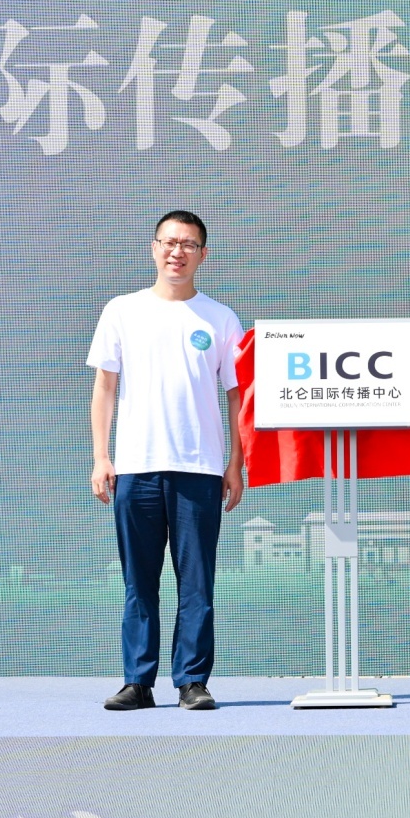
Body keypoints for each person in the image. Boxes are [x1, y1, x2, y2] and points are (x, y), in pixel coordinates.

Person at [87, 211, 245, 711]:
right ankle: (138, 681)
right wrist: (101, 456)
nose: (178, 252)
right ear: (154, 248)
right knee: (140, 581)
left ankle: (192, 681)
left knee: (196, 582)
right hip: (136, 465)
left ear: (203, 255)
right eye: (169, 242)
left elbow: (238, 397)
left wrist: (236, 463)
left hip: (200, 468)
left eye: (189, 245)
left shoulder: (220, 318)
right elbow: (105, 387)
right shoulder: (122, 310)